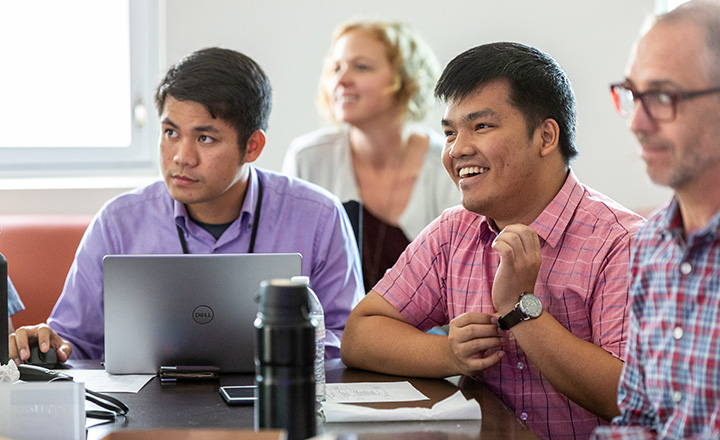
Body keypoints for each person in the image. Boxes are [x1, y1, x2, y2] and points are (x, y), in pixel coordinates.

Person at [340, 42, 644, 440]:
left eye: (481, 126)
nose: (457, 149)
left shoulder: (623, 242)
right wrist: (449, 353)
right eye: (450, 132)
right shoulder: (454, 231)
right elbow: (359, 335)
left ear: (546, 136)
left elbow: (627, 395)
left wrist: (521, 308)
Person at [8, 47, 364, 364]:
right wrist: (46, 345)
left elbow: (347, 338)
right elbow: (73, 341)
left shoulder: (319, 216)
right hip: (146, 413)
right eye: (170, 133)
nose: (181, 157)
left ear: (252, 146)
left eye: (205, 138)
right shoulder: (118, 221)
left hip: (275, 401)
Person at [607, 1, 720, 438]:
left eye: (661, 96)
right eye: (633, 94)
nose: (637, 121)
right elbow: (641, 421)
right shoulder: (652, 243)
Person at [282, 21, 459, 290]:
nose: (341, 80)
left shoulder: (448, 162)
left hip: (426, 329)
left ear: (405, 79)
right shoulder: (308, 159)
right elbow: (294, 271)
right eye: (336, 68)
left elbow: (459, 278)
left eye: (361, 67)